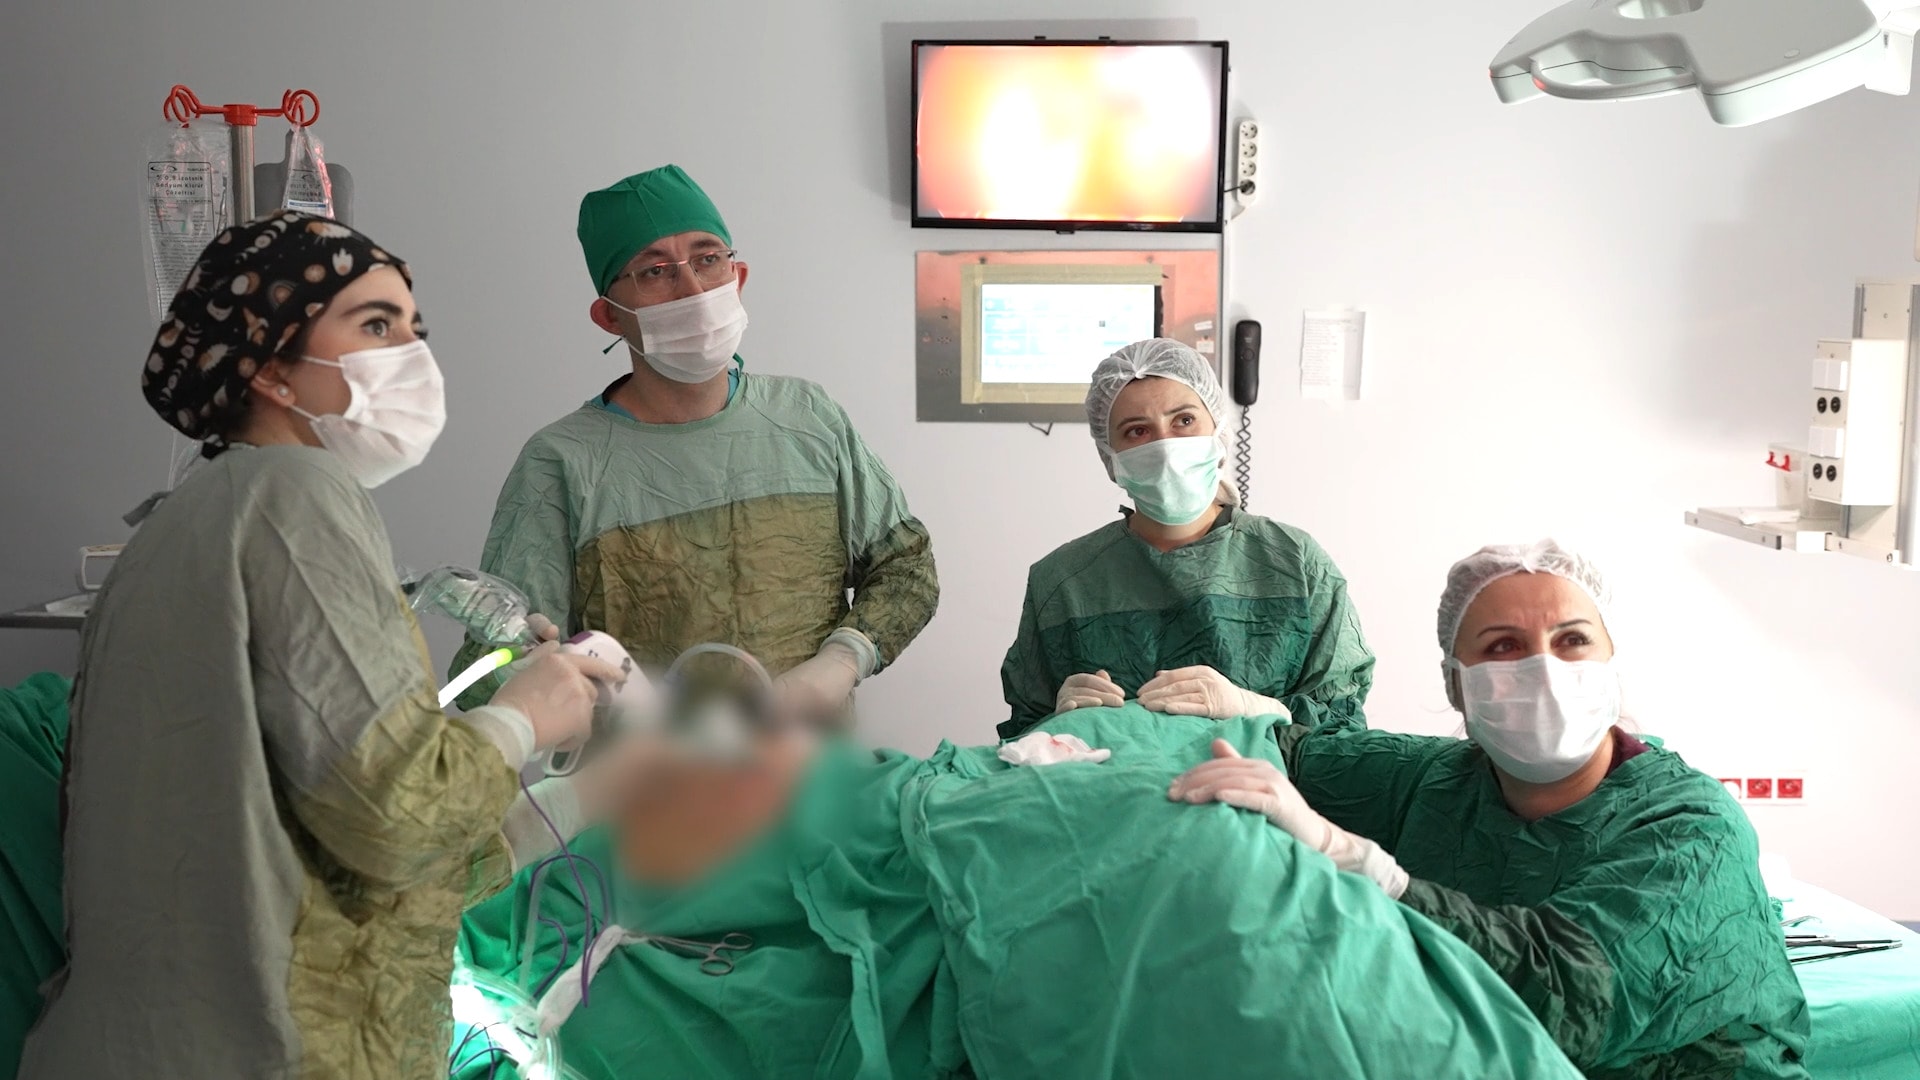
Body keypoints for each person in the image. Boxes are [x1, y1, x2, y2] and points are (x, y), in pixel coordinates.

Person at [16, 212, 635, 1080]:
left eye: (416, 329)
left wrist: (578, 798)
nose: (412, 355)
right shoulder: (295, 491)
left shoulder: (182, 523)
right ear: (270, 367)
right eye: (376, 325)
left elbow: (332, 868)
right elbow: (396, 817)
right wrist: (522, 718)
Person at [457, 705, 1589, 1080]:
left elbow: (1584, 985)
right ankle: (510, 930)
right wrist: (1261, 729)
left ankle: (508, 943)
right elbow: (1322, 747)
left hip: (1155, 899)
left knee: (847, 959)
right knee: (862, 866)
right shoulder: (1430, 775)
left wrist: (1360, 858)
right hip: (1162, 845)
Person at [1169, 539, 1811, 1080]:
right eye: (1503, 646)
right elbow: (1300, 755)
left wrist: (1367, 868)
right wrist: (1247, 716)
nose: (1544, 670)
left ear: (1611, 664)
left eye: (1572, 639)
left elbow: (1573, 999)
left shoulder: (1692, 829)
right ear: (1456, 684)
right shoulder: (1441, 780)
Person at [453, 164, 938, 727]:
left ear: (738, 277)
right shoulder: (561, 462)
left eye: (708, 259)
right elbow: (478, 673)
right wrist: (518, 670)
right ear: (610, 316)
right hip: (642, 777)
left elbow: (907, 568)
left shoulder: (808, 419)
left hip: (814, 768)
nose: (693, 289)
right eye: (655, 271)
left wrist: (840, 661)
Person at [999, 338, 1374, 739]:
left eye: (1183, 420)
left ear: (1218, 428)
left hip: (1267, 781)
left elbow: (1343, 731)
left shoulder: (1295, 563)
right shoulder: (1062, 582)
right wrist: (1056, 725)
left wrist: (1260, 709)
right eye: (1137, 430)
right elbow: (1019, 744)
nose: (1165, 446)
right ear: (1110, 456)